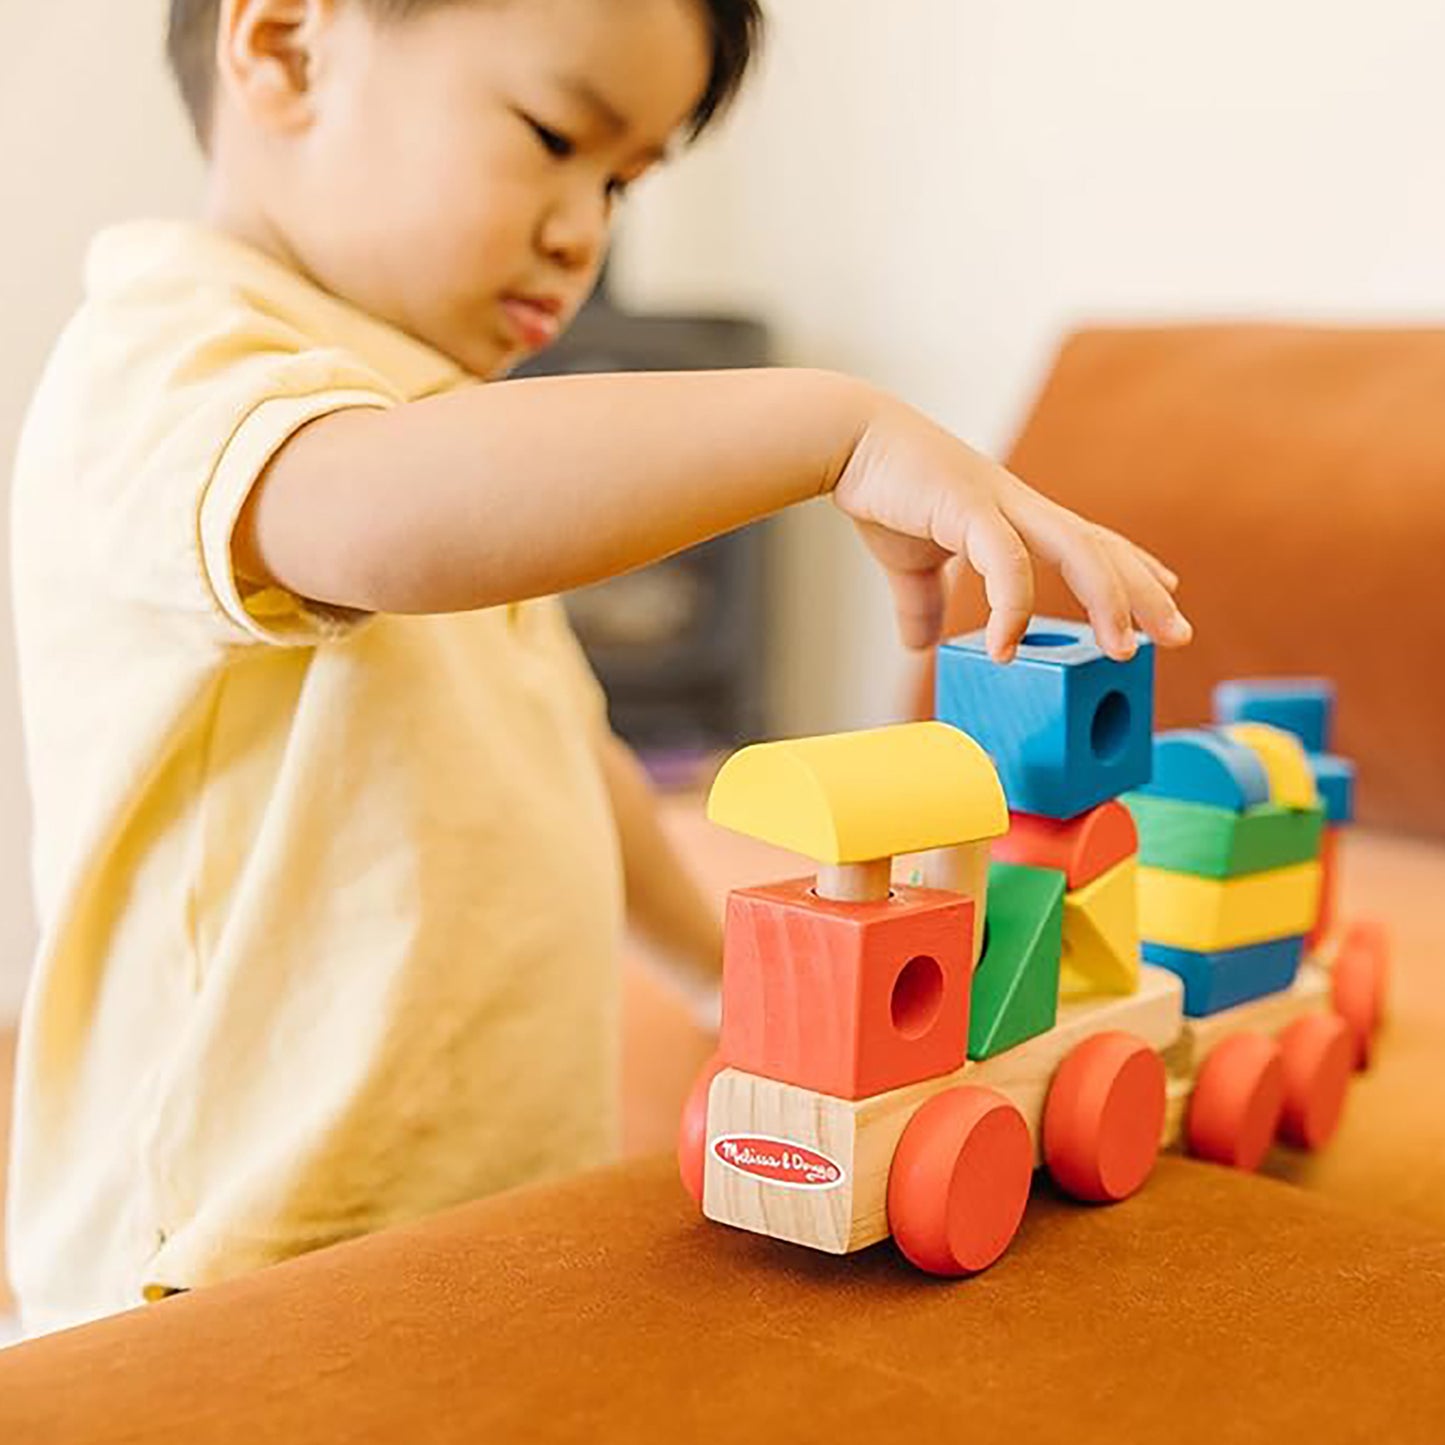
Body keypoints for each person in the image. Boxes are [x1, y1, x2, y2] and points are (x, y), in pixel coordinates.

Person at [5, 0, 1191, 1336]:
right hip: (218, 1268)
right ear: (287, 49)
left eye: (620, 182)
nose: (584, 234)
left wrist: (726, 981)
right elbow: (374, 515)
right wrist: (829, 430)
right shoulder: (167, 353)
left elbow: (563, 755)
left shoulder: (431, 424)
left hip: (455, 1225)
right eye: (554, 137)